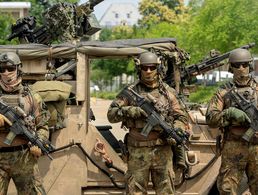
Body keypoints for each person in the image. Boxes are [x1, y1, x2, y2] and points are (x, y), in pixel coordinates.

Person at [107, 51, 188, 195]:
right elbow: (111, 115)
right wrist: (133, 111)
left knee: (166, 191)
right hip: (137, 151)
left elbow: (181, 117)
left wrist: (176, 129)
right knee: (135, 191)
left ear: (158, 68)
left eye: (152, 67)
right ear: (140, 69)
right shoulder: (130, 92)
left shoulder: (168, 93)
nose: (148, 71)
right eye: (145, 68)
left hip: (162, 150)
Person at [206, 48, 258, 195]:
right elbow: (210, 118)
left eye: (244, 64)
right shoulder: (223, 92)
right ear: (231, 67)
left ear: (250, 66)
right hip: (233, 146)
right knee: (227, 190)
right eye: (236, 65)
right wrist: (229, 114)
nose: (241, 69)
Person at [0, 52, 49, 195]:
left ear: (18, 68)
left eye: (10, 68)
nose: (6, 73)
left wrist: (38, 142)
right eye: (1, 69)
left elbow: (43, 125)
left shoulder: (32, 97)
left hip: (24, 158)